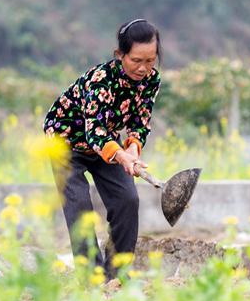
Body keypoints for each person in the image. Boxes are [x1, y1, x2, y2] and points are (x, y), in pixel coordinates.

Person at [43, 18, 162, 277]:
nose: (143, 68)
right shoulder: (100, 80)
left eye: (150, 61)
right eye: (136, 60)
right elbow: (93, 130)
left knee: (127, 200)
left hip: (105, 143)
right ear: (120, 55)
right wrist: (120, 155)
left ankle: (116, 274)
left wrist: (133, 150)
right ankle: (91, 277)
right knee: (79, 206)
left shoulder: (151, 80)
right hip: (65, 139)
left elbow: (141, 120)